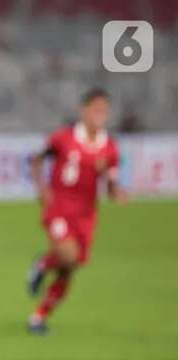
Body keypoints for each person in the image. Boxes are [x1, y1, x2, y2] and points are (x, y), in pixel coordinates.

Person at [27, 88, 127, 335]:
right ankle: (42, 263)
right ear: (84, 110)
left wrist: (117, 191)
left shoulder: (109, 148)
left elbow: (112, 188)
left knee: (68, 269)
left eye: (104, 110)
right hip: (59, 208)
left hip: (86, 215)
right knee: (68, 256)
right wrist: (42, 190)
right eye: (95, 109)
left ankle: (38, 318)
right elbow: (37, 160)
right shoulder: (63, 138)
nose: (100, 114)